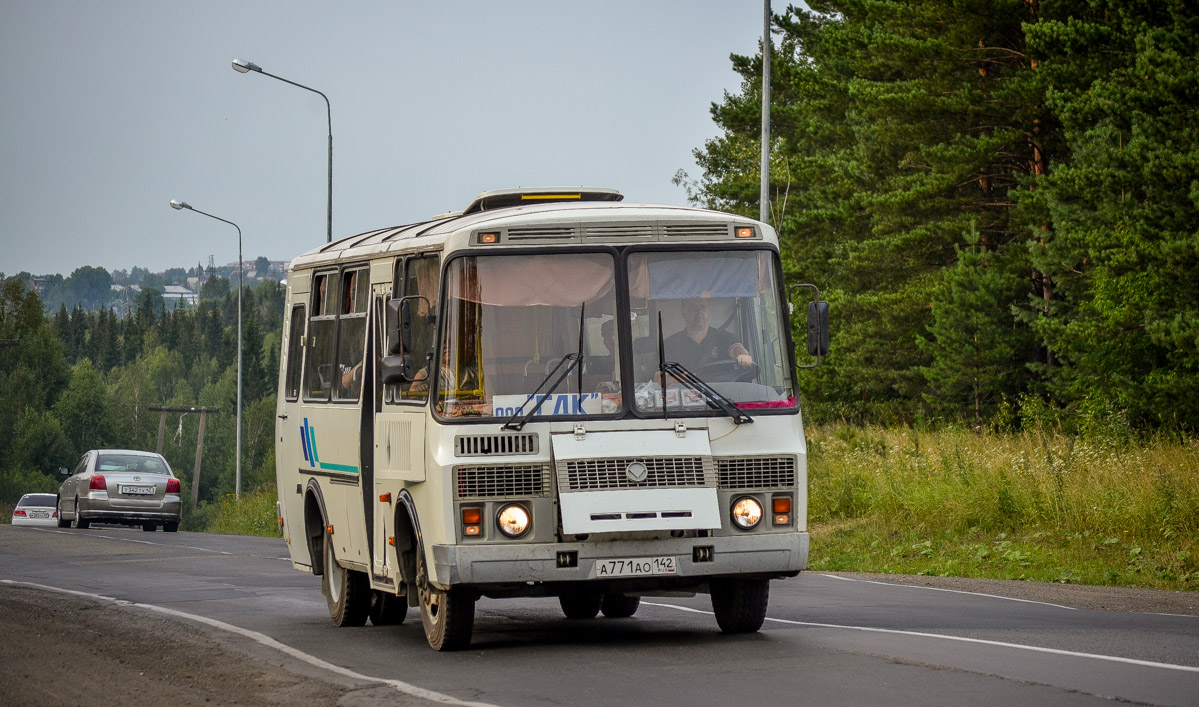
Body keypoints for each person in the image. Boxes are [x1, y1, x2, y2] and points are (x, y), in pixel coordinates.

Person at [663, 298, 753, 372]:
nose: (699, 312)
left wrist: (743, 356)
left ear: (708, 311)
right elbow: (660, 378)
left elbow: (736, 349)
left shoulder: (725, 338)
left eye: (703, 307)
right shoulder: (670, 344)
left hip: (723, 393)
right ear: (683, 312)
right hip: (687, 393)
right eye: (693, 308)